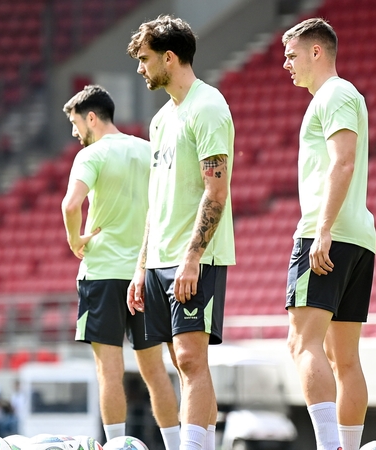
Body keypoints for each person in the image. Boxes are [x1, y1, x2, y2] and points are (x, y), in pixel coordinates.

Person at [126, 15, 236, 450]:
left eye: (145, 59)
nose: (140, 68)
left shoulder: (208, 106)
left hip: (195, 257)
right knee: (184, 363)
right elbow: (156, 200)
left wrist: (191, 257)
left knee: (191, 360)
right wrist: (141, 266)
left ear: (169, 58)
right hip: (159, 260)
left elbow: (217, 188)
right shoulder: (160, 120)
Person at [60, 85, 181, 449]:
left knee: (108, 372)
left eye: (75, 123)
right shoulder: (148, 150)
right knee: (155, 371)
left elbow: (70, 205)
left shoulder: (91, 155)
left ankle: (115, 446)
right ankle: (176, 446)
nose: (74, 132)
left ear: (91, 118)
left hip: (102, 273)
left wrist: (74, 239)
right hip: (146, 273)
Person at [281, 18, 376, 450]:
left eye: (292, 54)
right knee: (344, 359)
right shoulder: (341, 96)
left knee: (302, 343)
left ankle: (328, 446)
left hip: (328, 233)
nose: (287, 63)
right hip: (358, 236)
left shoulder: (334, 94)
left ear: (316, 52)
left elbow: (343, 162)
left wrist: (321, 231)